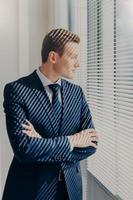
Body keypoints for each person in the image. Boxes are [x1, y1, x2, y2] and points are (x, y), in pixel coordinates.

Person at [2, 28, 98, 200]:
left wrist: (42, 142)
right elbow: (24, 149)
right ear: (53, 57)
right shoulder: (17, 91)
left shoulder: (77, 93)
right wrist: (72, 141)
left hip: (70, 191)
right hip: (31, 191)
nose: (78, 64)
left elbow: (92, 143)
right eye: (74, 57)